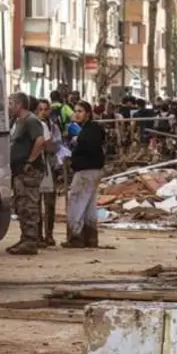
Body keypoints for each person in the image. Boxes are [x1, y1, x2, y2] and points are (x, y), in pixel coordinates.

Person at [7, 93, 47, 255]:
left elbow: (40, 141)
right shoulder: (17, 122)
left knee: (29, 206)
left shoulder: (31, 121)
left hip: (29, 171)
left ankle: (31, 240)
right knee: (21, 205)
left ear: (19, 105)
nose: (8, 106)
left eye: (10, 103)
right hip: (18, 171)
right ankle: (25, 238)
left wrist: (30, 161)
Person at [65, 101, 105, 249]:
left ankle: (76, 237)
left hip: (86, 171)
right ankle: (90, 238)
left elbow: (90, 145)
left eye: (80, 111)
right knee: (88, 205)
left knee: (76, 202)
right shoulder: (88, 129)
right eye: (75, 111)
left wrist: (79, 138)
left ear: (87, 113)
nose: (77, 114)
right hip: (90, 170)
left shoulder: (91, 129)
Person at [34, 99, 63, 249]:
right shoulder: (34, 126)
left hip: (49, 167)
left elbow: (55, 147)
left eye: (46, 109)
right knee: (36, 203)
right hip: (36, 168)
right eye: (41, 109)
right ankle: (38, 235)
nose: (43, 112)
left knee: (49, 203)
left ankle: (49, 234)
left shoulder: (53, 127)